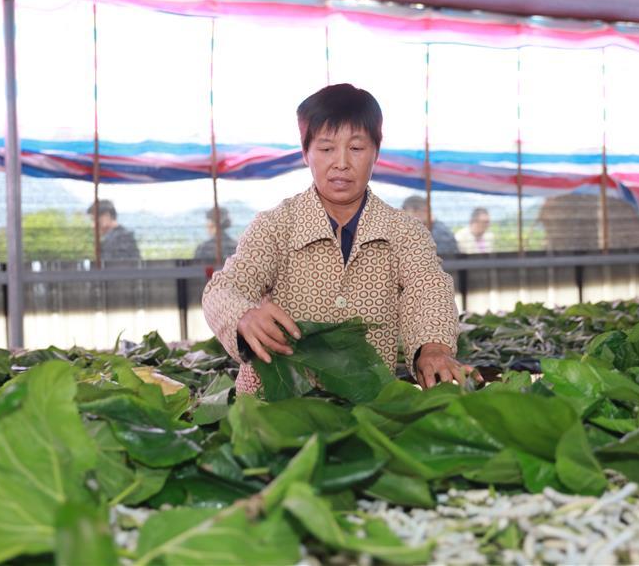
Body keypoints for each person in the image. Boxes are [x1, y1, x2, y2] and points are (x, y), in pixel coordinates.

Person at [202, 83, 481, 394]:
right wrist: (243, 316)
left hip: (366, 407)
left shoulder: (405, 232)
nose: (342, 163)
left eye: (357, 148)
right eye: (325, 148)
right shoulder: (275, 226)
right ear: (305, 153)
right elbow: (224, 287)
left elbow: (428, 289)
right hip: (274, 410)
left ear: (376, 151)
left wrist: (433, 350)